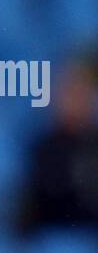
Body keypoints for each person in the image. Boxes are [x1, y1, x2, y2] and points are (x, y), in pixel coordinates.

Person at [12, 53, 98, 237]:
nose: (74, 101)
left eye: (81, 93)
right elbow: (33, 204)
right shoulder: (43, 146)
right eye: (69, 93)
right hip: (52, 238)